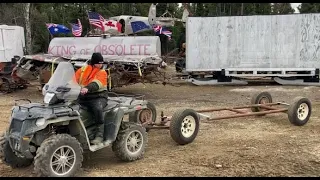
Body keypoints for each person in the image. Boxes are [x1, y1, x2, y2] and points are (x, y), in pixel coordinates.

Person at [74, 52, 108, 145]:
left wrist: (87, 88)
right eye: (99, 63)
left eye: (102, 63)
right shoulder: (83, 70)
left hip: (98, 96)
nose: (101, 65)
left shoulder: (102, 72)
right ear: (93, 62)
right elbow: (73, 79)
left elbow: (96, 83)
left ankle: (99, 135)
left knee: (98, 108)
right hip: (83, 96)